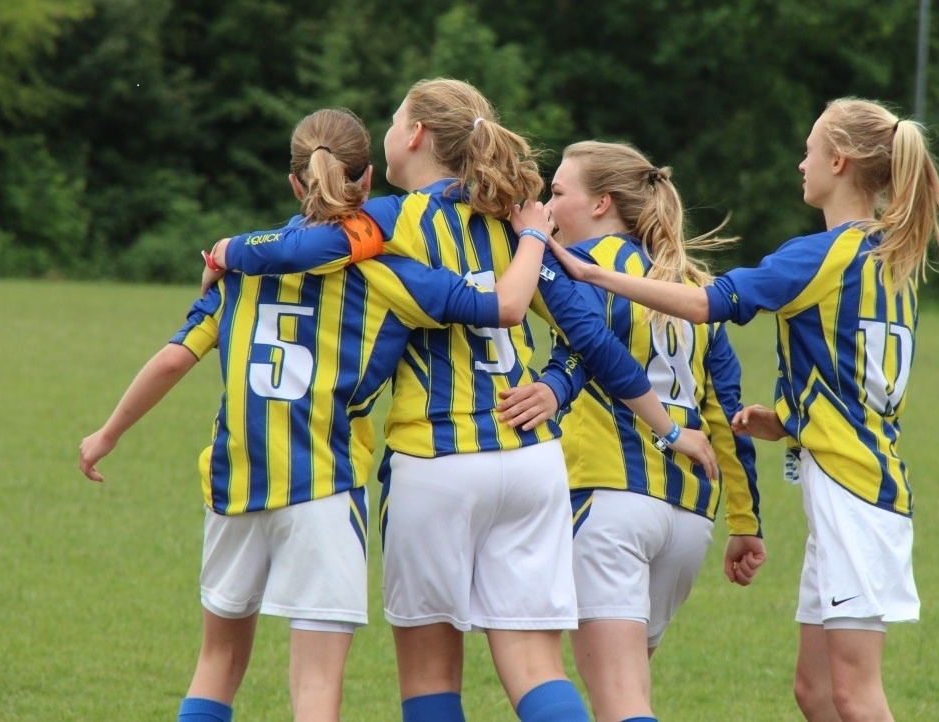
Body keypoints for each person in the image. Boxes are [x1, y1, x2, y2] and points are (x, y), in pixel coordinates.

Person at [209, 79, 717, 722]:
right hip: (531, 464)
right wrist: (604, 404)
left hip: (437, 459)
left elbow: (301, 246)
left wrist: (226, 251)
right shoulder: (515, 224)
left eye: (395, 119)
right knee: (536, 669)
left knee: (431, 674)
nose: (388, 131)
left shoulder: (389, 220)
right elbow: (589, 336)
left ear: (415, 136)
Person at [78, 107, 554, 722]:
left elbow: (173, 360)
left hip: (236, 481)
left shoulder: (243, 269)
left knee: (216, 663)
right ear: (368, 178)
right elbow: (489, 305)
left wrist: (108, 433)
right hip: (327, 486)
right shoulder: (385, 271)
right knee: (316, 688)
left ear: (294, 183)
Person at [545, 98, 939, 722]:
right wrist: (788, 420)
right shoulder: (890, 259)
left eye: (809, 149)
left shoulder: (824, 253)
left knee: (855, 695)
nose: (801, 163)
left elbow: (707, 304)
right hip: (852, 477)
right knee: (815, 691)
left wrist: (594, 275)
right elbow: (857, 382)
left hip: (853, 488)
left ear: (838, 160)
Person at [493, 140, 765, 722]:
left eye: (557, 193)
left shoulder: (578, 265)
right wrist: (745, 522)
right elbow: (726, 413)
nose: (547, 205)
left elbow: (572, 331)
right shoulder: (687, 283)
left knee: (618, 701)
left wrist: (524, 236)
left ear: (601, 204)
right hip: (690, 517)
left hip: (610, 501)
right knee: (629, 694)